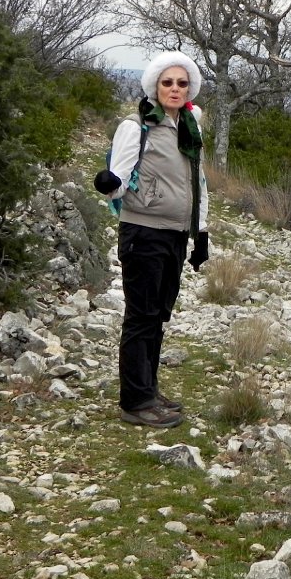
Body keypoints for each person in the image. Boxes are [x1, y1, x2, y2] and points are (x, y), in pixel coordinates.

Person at [93, 51, 209, 428]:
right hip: (142, 231)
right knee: (141, 316)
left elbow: (198, 182)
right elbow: (120, 176)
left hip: (174, 234)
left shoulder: (189, 125)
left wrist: (200, 233)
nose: (175, 89)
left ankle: (148, 389)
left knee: (158, 316)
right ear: (155, 86)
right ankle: (135, 401)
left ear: (189, 88)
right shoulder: (137, 125)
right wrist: (109, 185)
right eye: (167, 82)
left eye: (181, 83)